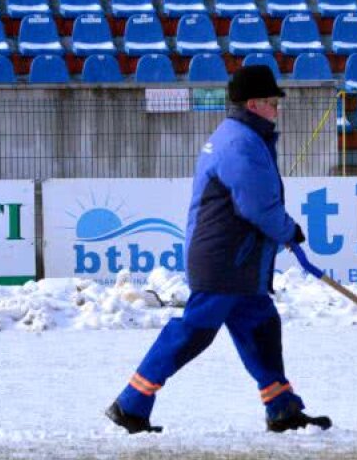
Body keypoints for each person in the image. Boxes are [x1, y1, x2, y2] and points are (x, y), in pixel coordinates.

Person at [106, 65, 330, 434]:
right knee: (194, 331)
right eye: (274, 102)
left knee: (261, 327)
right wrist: (289, 231)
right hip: (225, 260)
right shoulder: (240, 144)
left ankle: (282, 408)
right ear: (255, 104)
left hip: (237, 262)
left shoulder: (240, 136)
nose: (278, 109)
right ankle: (130, 403)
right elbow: (257, 206)